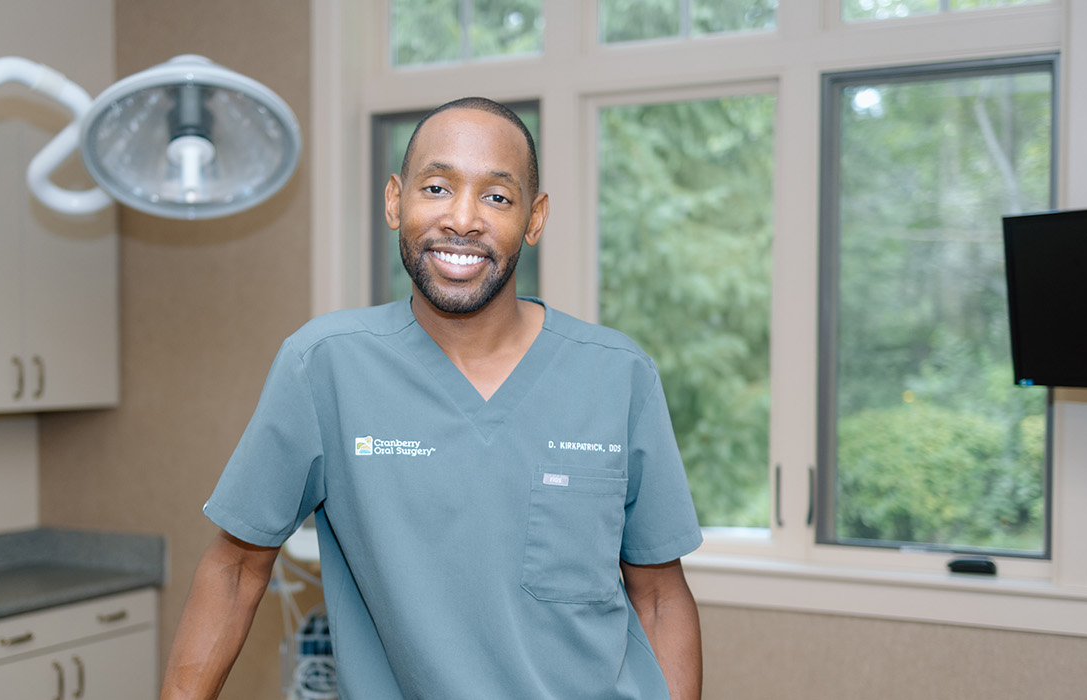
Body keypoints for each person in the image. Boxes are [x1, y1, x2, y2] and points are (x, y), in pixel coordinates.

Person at [158, 97, 703, 700]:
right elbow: (235, 570)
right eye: (437, 187)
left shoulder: (616, 375)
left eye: (497, 196)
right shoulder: (325, 367)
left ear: (535, 217)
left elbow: (659, 596)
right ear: (396, 201)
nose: (462, 219)